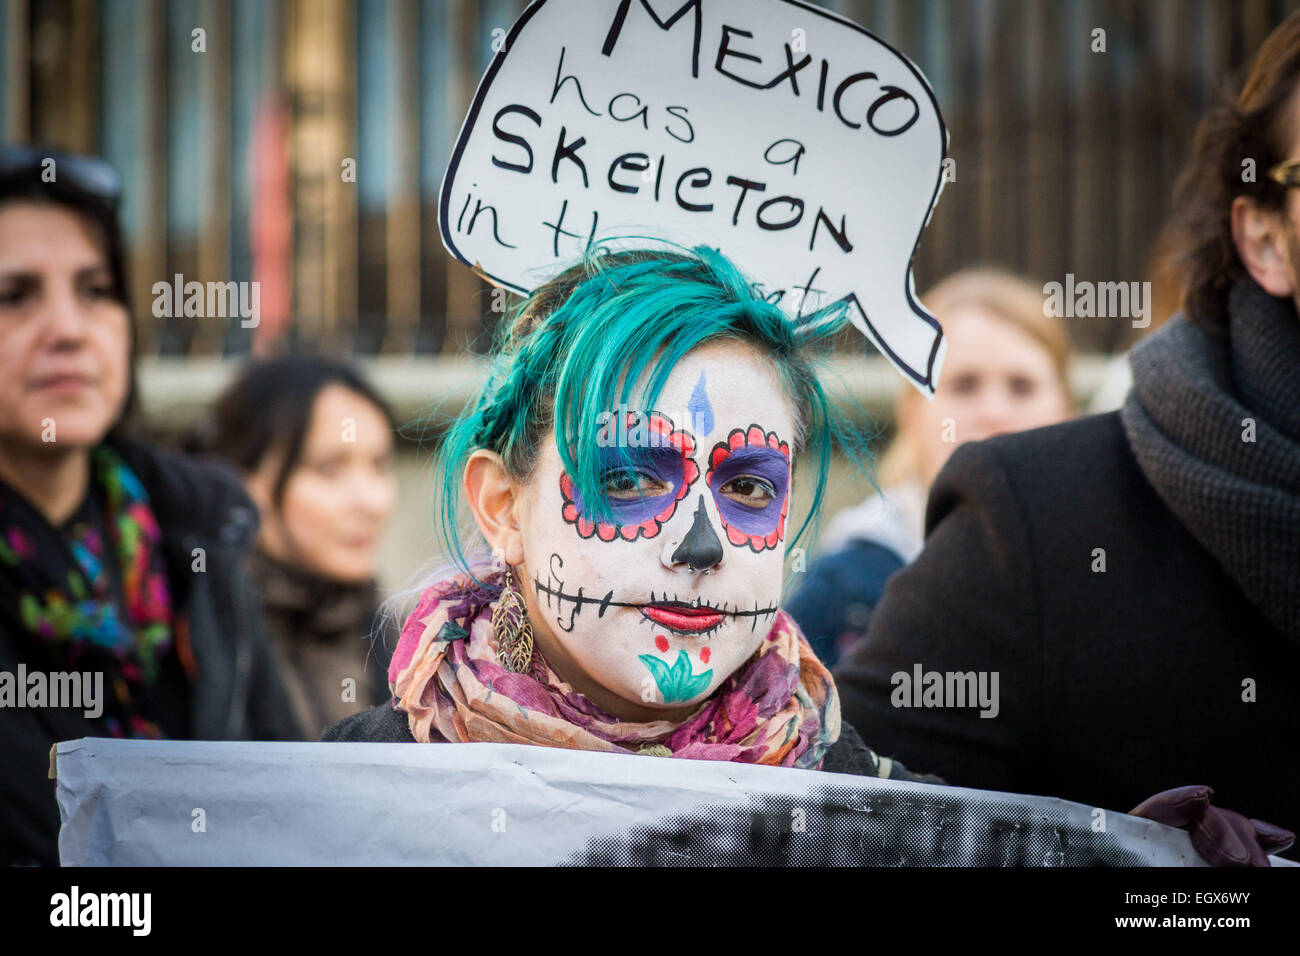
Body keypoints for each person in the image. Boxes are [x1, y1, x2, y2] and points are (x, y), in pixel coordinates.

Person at [323, 244, 1287, 865]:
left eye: (747, 488)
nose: (699, 545)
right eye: (628, 479)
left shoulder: (888, 822)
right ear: (501, 506)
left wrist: (1134, 870)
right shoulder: (343, 801)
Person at [833, 10, 1300, 858]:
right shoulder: (1025, 531)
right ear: (1265, 236)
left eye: (1020, 383)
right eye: (964, 385)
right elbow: (826, 828)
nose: (992, 405)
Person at [0, 147, 302, 866]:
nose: (69, 329)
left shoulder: (197, 533)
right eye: (15, 296)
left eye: (96, 289)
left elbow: (293, 805)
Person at [787, 270, 1074, 665]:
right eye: (964, 385)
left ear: (1067, 410)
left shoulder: (1110, 573)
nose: (994, 413)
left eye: (1021, 386)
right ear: (911, 412)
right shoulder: (843, 590)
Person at [202, 356, 398, 739]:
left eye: (378, 465)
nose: (371, 501)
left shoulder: (400, 641)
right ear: (245, 484)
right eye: (329, 469)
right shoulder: (199, 633)